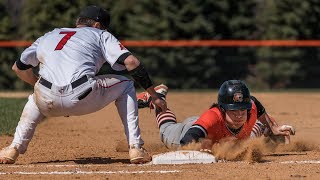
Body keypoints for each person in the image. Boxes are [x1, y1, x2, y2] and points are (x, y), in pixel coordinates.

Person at [0, 5, 167, 164]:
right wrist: (154, 96)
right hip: (82, 95)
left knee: (35, 95)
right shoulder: (100, 34)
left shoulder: (51, 34)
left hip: (47, 99)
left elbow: (18, 67)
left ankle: (13, 148)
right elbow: (131, 62)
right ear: (97, 25)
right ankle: (136, 147)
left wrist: (38, 85)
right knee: (127, 85)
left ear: (78, 23)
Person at [137, 80, 295, 150]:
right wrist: (198, 148)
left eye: (242, 109)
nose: (239, 114)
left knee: (248, 138)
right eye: (233, 110)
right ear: (223, 109)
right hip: (190, 130)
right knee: (166, 128)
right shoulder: (213, 116)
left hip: (211, 129)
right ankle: (157, 98)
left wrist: (273, 127)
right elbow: (187, 141)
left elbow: (255, 104)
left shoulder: (250, 109)